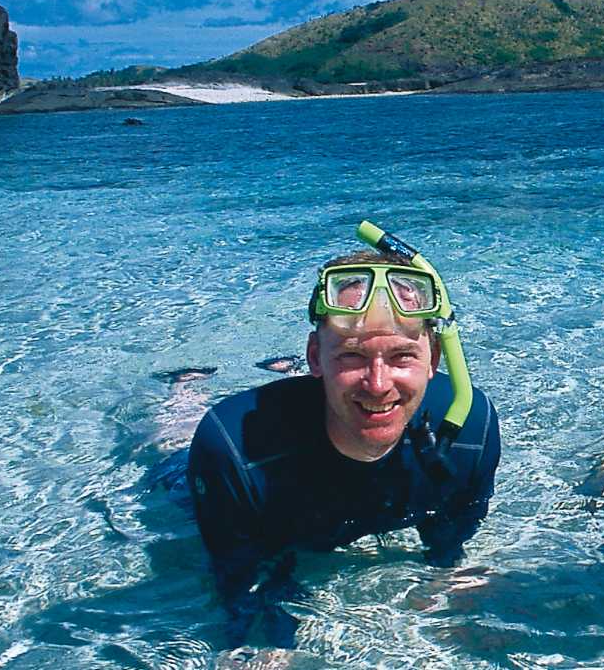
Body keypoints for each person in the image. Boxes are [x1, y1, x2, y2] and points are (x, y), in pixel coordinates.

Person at [185, 222, 500, 648]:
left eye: (402, 355)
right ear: (315, 355)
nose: (378, 383)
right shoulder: (233, 449)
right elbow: (240, 583)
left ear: (434, 359)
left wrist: (442, 579)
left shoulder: (470, 431)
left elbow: (455, 531)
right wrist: (268, 646)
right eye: (352, 354)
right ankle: (180, 391)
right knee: (171, 442)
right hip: (238, 457)